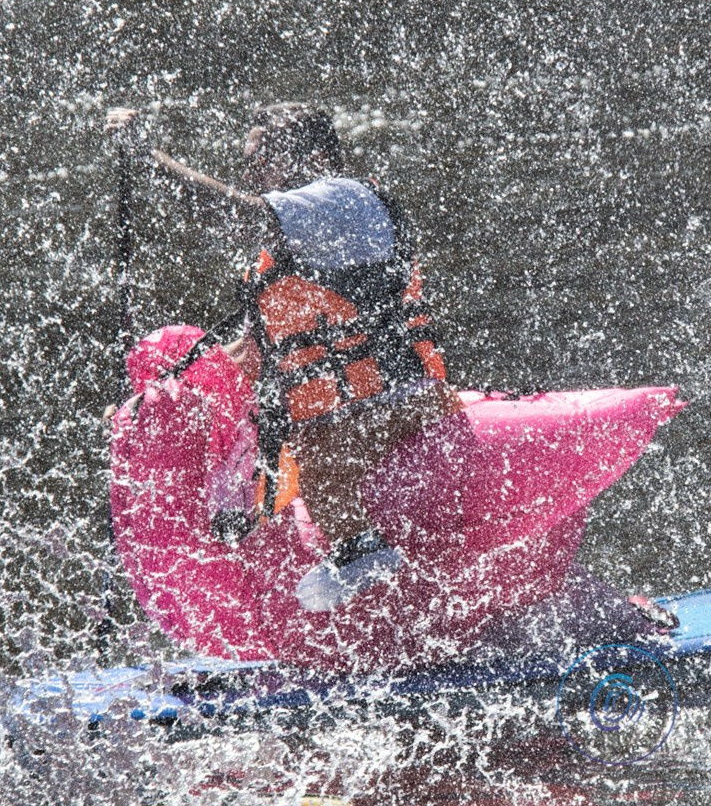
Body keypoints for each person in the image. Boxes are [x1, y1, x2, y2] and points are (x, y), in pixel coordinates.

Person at [105, 103, 462, 558]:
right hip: (339, 439)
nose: (252, 176)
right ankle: (350, 550)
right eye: (248, 165)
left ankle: (364, 553)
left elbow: (234, 216)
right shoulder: (284, 254)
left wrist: (147, 159)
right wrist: (148, 406)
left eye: (261, 162)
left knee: (319, 442)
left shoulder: (345, 203)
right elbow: (249, 358)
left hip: (404, 415)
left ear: (314, 160)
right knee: (293, 454)